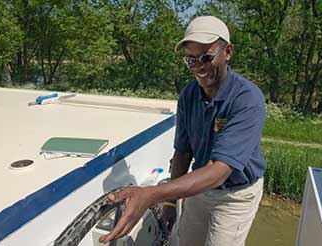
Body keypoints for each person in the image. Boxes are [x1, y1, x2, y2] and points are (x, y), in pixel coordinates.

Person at [99, 15, 266, 246]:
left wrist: (151, 195)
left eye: (206, 57)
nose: (198, 67)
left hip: (235, 195)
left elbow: (220, 170)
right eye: (191, 60)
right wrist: (169, 204)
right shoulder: (189, 95)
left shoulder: (247, 100)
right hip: (199, 189)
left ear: (228, 52)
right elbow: (183, 152)